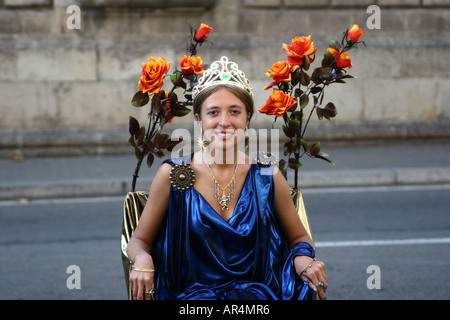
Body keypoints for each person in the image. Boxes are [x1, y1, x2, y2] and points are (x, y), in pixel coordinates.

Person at [126, 56, 327, 300]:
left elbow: (299, 237)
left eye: (234, 111)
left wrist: (303, 258)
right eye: (213, 112)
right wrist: (143, 257)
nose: (224, 122)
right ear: (199, 119)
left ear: (247, 118)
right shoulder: (172, 174)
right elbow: (138, 240)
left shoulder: (267, 176)